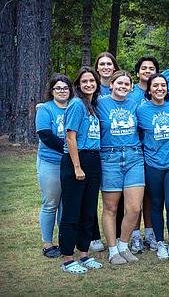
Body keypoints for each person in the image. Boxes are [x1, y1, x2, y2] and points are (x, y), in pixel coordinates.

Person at [96, 70, 144, 265]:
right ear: (111, 85)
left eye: (126, 84)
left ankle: (124, 245)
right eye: (119, 83)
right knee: (111, 207)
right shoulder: (100, 103)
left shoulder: (136, 104)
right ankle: (113, 250)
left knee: (133, 208)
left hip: (134, 157)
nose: (123, 87)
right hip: (109, 157)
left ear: (131, 88)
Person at [59, 67, 103, 274]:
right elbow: (70, 137)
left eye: (91, 81)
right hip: (77, 159)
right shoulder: (77, 104)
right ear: (78, 84)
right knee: (72, 210)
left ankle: (84, 254)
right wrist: (77, 167)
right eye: (84, 81)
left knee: (88, 210)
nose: (88, 84)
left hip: (94, 159)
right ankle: (68, 258)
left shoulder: (92, 105)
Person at [137, 74, 169, 262]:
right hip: (153, 163)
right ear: (149, 89)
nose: (159, 88)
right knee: (156, 204)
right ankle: (160, 243)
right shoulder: (141, 110)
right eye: (155, 85)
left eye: (163, 85)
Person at [35, 74, 73, 258]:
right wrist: (68, 149)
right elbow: (46, 135)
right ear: (51, 91)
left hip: (71, 163)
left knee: (66, 204)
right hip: (50, 162)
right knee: (51, 203)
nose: (62, 91)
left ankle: (64, 241)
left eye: (65, 88)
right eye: (58, 88)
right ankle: (48, 244)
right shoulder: (45, 109)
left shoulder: (74, 107)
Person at [128, 56, 160, 253]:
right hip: (134, 151)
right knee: (135, 199)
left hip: (155, 152)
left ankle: (150, 234)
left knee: (151, 196)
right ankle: (135, 236)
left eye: (151, 68)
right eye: (144, 68)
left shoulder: (160, 91)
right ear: (138, 72)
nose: (147, 71)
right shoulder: (131, 94)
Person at [90, 52, 121, 252]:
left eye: (109, 63)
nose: (106, 67)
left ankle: (118, 235)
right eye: (102, 64)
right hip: (95, 148)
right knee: (93, 194)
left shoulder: (122, 86)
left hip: (117, 149)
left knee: (118, 197)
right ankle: (93, 236)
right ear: (97, 67)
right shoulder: (92, 88)